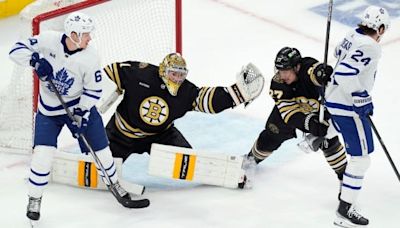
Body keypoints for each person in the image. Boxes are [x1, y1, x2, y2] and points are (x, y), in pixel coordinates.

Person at [9, 12, 138, 223]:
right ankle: (34, 198)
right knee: (42, 157)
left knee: (102, 152)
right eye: (86, 34)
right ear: (74, 34)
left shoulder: (90, 56)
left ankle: (115, 184)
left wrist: (81, 114)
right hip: (49, 112)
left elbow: (94, 91)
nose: (90, 38)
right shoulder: (48, 39)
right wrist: (35, 60)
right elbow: (15, 50)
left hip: (79, 108)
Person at [100, 53, 264, 163]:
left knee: (189, 161)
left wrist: (236, 94)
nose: (178, 79)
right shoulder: (140, 74)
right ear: (163, 71)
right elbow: (110, 73)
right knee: (101, 163)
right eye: (174, 74)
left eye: (181, 74)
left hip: (161, 136)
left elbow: (207, 100)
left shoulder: (185, 91)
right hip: (121, 134)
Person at [325, 6, 390, 227]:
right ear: (380, 28)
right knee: (361, 160)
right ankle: (344, 210)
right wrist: (360, 95)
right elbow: (344, 73)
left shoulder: (352, 34)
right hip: (347, 106)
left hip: (332, 99)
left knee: (339, 129)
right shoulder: (371, 46)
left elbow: (336, 55)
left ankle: (318, 136)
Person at [244, 47, 348, 184]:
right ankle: (250, 160)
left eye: (286, 71)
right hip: (294, 112)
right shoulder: (278, 83)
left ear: (297, 67)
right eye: (280, 71)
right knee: (272, 133)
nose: (282, 76)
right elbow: (289, 114)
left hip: (318, 111)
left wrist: (323, 73)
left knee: (328, 140)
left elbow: (314, 70)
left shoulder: (306, 68)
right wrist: (309, 124)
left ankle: (346, 180)